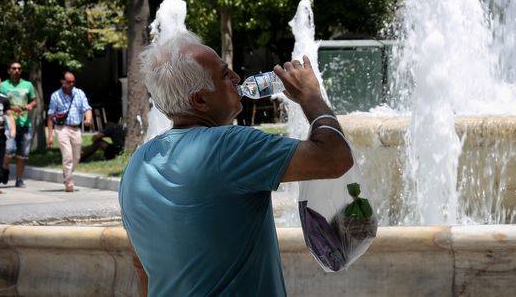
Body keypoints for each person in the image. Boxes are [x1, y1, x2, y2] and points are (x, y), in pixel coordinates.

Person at [119, 32, 353, 296]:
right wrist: (311, 97)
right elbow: (334, 158)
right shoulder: (229, 146)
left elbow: (141, 266)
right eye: (224, 74)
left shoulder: (136, 165)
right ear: (200, 100)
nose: (237, 79)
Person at [47, 71, 92, 192]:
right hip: (62, 128)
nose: (71, 84)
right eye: (68, 82)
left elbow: (87, 108)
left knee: (76, 157)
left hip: (76, 128)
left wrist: (88, 119)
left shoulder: (79, 93)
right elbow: (51, 116)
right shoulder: (55, 96)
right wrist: (50, 136)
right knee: (67, 155)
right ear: (62, 81)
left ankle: (67, 174)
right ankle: (69, 182)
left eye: (73, 81)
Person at [0, 62, 37, 188]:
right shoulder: (3, 85)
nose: (17, 70)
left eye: (19, 69)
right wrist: (10, 107)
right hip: (9, 123)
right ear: (9, 70)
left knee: (23, 154)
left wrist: (30, 105)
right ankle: (4, 168)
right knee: (10, 149)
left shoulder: (28, 85)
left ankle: (19, 179)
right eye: (14, 68)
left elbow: (34, 100)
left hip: (25, 123)